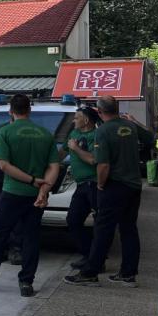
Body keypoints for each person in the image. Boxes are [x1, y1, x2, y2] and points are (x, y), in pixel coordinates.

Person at [0, 94, 59, 297]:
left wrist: (32, 181)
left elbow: (4, 165)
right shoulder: (45, 134)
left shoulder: (6, 132)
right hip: (36, 196)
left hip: (12, 193)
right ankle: (26, 283)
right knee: (31, 238)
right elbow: (54, 166)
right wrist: (43, 189)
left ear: (11, 111)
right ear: (30, 110)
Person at [65, 97, 155, 287]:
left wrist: (100, 184)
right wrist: (135, 121)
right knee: (129, 229)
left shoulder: (103, 131)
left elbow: (103, 164)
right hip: (133, 186)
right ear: (117, 109)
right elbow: (150, 139)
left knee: (102, 230)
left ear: (99, 112)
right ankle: (128, 274)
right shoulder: (129, 126)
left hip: (113, 186)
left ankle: (90, 273)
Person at [65, 106, 101, 269]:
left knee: (100, 223)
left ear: (86, 121)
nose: (74, 120)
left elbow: (93, 160)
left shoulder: (97, 136)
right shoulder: (74, 134)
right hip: (81, 185)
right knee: (73, 220)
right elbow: (62, 152)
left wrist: (75, 148)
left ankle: (97, 260)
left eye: (76, 117)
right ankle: (89, 255)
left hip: (93, 183)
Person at [0, 116, 22, 266]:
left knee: (17, 215)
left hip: (19, 174)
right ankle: (0, 250)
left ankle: (16, 249)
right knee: (0, 213)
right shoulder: (1, 129)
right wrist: (8, 148)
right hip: (0, 174)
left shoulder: (26, 131)